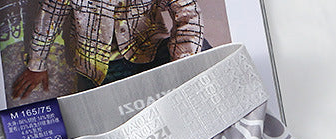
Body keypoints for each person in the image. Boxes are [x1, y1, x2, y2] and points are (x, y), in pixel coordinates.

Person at [12, 0, 205, 97]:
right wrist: (37, 64)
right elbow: (50, 16)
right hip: (96, 66)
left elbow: (187, 11)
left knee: (200, 50)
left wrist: (183, 62)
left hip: (149, 51)